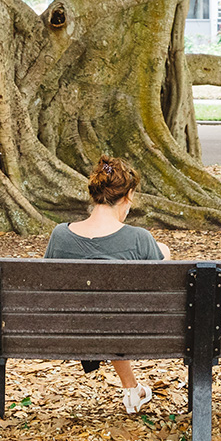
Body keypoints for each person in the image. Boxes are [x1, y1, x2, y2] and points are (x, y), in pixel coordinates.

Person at [45, 154, 172, 415]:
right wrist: (165, 253)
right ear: (126, 198)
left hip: (71, 331)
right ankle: (132, 390)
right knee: (161, 256)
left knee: (104, 309)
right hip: (128, 330)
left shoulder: (60, 235)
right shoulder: (140, 239)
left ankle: (132, 388)